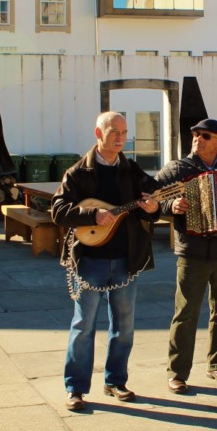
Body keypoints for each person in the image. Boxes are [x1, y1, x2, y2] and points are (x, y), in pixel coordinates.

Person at [51, 112, 160, 411]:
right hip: (90, 261)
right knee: (83, 325)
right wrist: (91, 216)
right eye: (114, 132)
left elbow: (152, 203)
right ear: (98, 134)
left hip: (126, 260)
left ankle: (115, 381)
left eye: (124, 132)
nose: (121, 137)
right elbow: (58, 211)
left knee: (124, 327)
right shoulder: (78, 173)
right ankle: (75, 389)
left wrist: (153, 207)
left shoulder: (131, 169)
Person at [154, 118, 217, 393]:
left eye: (205, 135)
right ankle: (177, 372)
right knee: (186, 312)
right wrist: (171, 206)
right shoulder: (178, 169)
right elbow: (149, 199)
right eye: (195, 134)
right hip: (192, 252)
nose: (198, 139)